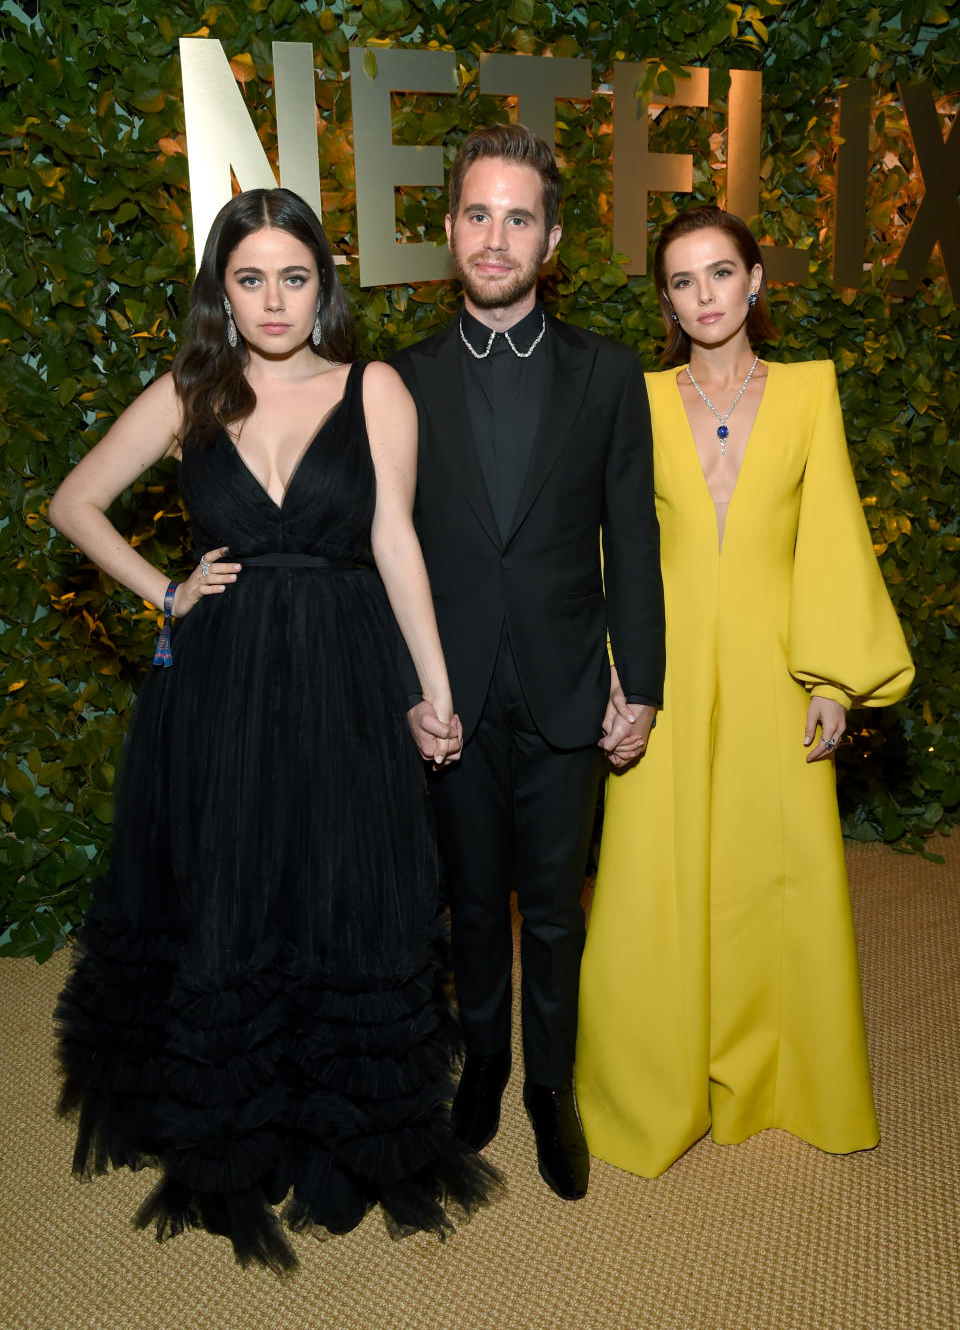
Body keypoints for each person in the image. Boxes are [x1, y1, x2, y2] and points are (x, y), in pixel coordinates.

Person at [50, 187, 497, 1272]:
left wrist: (436, 692)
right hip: (224, 681)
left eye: (293, 276)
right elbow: (74, 502)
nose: (273, 299)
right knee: (236, 895)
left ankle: (341, 1137)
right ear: (223, 291)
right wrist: (164, 590)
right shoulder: (190, 389)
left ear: (322, 283)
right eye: (248, 278)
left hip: (347, 674)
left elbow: (395, 541)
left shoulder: (373, 387)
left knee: (343, 893)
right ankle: (239, 1132)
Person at [575, 204, 915, 1178]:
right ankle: (649, 1084)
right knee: (650, 870)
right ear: (667, 300)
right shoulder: (634, 398)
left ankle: (780, 1078)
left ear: (756, 281)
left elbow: (833, 535)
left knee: (777, 870)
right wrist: (609, 666)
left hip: (775, 660)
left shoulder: (810, 391)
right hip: (660, 660)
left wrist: (835, 676)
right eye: (682, 281)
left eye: (720, 274)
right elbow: (606, 541)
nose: (703, 296)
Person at [390, 124, 665, 1202]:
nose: (494, 237)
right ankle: (487, 1066)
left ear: (551, 239)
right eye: (475, 214)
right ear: (448, 228)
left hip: (566, 694)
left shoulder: (608, 374)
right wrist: (413, 691)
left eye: (518, 218)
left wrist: (638, 683)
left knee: (553, 908)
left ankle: (551, 1087)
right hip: (451, 699)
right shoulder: (398, 380)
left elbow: (633, 542)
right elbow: (384, 550)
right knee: (468, 903)